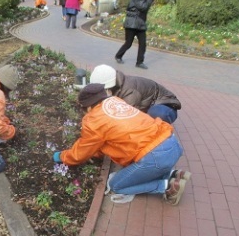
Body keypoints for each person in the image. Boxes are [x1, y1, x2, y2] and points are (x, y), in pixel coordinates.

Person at [52, 84, 191, 205]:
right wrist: (97, 154)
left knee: (117, 185)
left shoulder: (93, 120)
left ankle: (166, 186)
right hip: (171, 141)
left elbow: (80, 153)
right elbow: (104, 140)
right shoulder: (115, 101)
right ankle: (173, 174)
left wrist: (61, 156)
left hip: (155, 156)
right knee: (146, 166)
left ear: (88, 107)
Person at [89, 64, 181, 123]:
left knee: (157, 114)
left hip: (165, 104)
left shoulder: (130, 91)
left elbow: (127, 118)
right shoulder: (116, 85)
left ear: (109, 87)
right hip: (147, 103)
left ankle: (163, 136)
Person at [115, 0, 155, 69]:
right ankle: (118, 55)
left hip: (139, 23)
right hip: (132, 23)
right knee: (128, 43)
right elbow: (143, 7)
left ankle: (139, 62)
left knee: (143, 43)